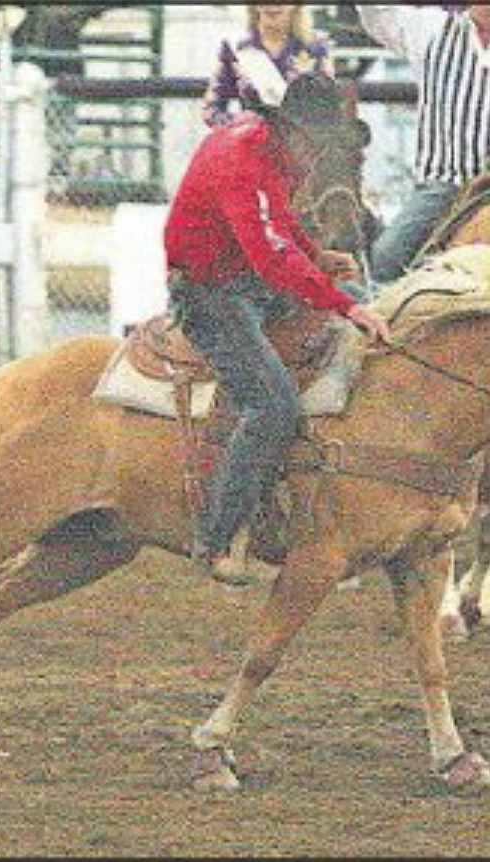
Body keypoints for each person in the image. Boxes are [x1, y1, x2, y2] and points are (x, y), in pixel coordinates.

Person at [163, 72, 391, 586]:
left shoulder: (268, 152)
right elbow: (268, 253)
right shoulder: (241, 160)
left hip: (240, 280)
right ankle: (216, 535)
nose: (316, 156)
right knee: (273, 403)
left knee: (335, 331)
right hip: (210, 293)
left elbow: (278, 224)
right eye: (316, 143)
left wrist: (316, 257)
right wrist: (342, 304)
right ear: (293, 132)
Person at [356, 3, 490, 285]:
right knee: (385, 260)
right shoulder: (431, 28)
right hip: (446, 186)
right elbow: (375, 13)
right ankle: (377, 324)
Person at [202, 5, 334, 129]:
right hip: (250, 145)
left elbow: (330, 109)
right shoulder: (235, 48)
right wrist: (237, 122)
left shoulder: (314, 47)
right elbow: (211, 109)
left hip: (299, 148)